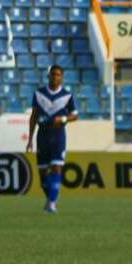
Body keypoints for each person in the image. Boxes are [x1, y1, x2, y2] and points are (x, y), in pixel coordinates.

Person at [26, 64, 78, 214]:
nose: (56, 77)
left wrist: (62, 119)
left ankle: (52, 203)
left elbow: (75, 115)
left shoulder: (67, 95)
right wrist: (30, 139)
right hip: (42, 135)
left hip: (58, 135)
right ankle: (51, 198)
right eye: (53, 74)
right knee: (43, 176)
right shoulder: (39, 94)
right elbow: (34, 117)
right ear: (48, 76)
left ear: (62, 77)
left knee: (56, 167)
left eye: (58, 75)